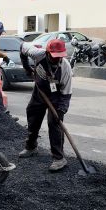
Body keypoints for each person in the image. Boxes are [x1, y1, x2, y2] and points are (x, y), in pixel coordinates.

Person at [18, 39, 72, 172]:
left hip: (57, 96)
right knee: (33, 117)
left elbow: (66, 94)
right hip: (40, 91)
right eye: (54, 56)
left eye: (59, 57)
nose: (57, 59)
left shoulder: (65, 68)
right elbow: (22, 47)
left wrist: (61, 111)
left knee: (55, 123)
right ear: (47, 53)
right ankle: (31, 147)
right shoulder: (37, 54)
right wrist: (27, 68)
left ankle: (59, 158)